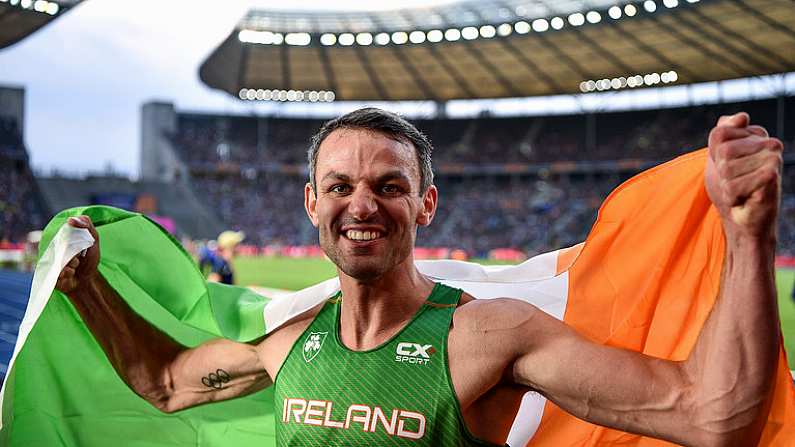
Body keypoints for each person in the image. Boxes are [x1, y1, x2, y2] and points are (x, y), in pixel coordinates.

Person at [56, 108, 783, 446]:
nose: (361, 203)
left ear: (425, 203)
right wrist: (84, 286)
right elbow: (168, 382)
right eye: (337, 186)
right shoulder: (290, 343)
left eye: (389, 185)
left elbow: (709, 416)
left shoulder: (486, 335)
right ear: (311, 203)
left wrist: (745, 234)